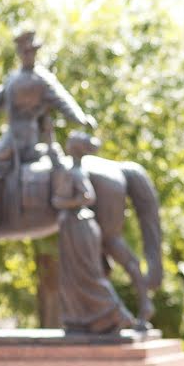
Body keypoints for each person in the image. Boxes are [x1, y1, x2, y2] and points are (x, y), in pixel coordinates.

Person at [0, 31, 97, 232]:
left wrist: (79, 117)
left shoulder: (42, 79)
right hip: (10, 134)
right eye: (25, 52)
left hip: (23, 137)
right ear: (20, 53)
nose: (28, 55)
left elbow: (63, 100)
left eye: (31, 51)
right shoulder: (13, 78)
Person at [51, 132, 135, 334]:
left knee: (87, 273)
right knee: (72, 276)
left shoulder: (76, 173)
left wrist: (62, 202)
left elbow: (87, 196)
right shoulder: (71, 170)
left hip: (78, 225)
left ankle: (118, 314)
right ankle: (78, 319)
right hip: (72, 225)